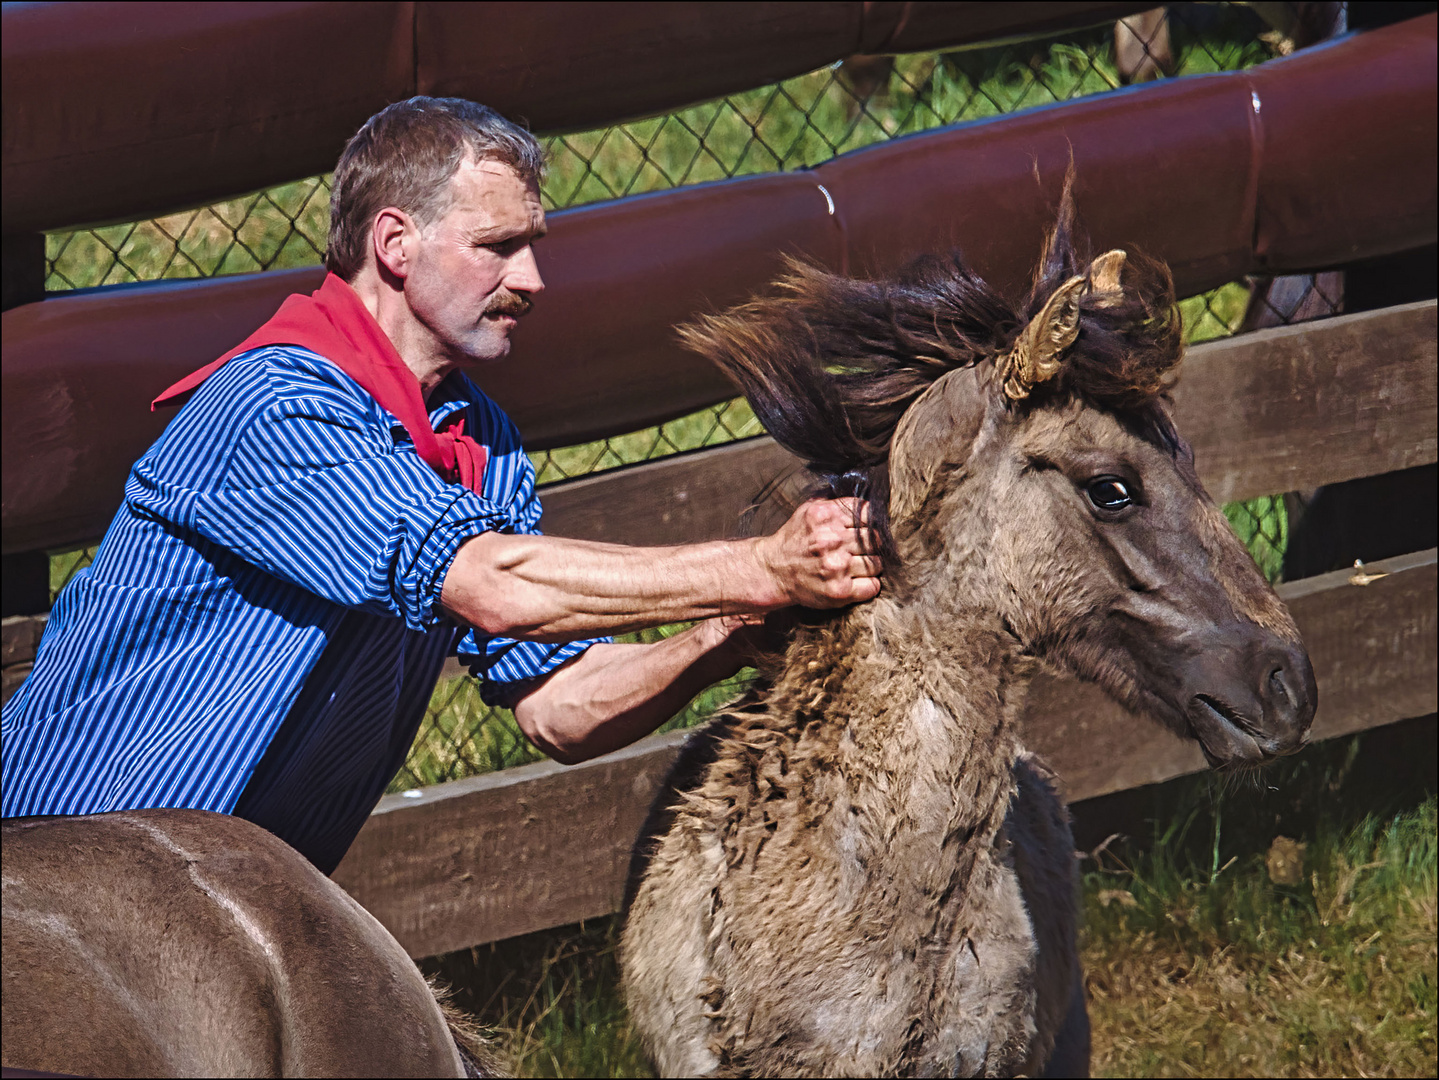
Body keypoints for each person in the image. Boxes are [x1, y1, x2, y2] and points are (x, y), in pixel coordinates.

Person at [0, 98, 880, 874]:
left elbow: (559, 708)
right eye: (497, 247)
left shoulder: (478, 442)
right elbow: (488, 584)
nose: (531, 280)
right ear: (394, 244)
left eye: (531, 247)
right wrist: (763, 567)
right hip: (51, 880)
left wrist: (725, 632)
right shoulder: (274, 403)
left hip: (221, 913)